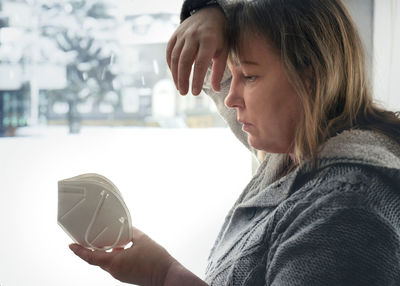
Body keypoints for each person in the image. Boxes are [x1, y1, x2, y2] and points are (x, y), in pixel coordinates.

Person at [69, 0, 400, 285]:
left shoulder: (344, 212)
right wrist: (164, 274)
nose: (230, 98)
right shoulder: (293, 158)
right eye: (233, 75)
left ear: (310, 77)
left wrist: (166, 275)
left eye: (250, 77)